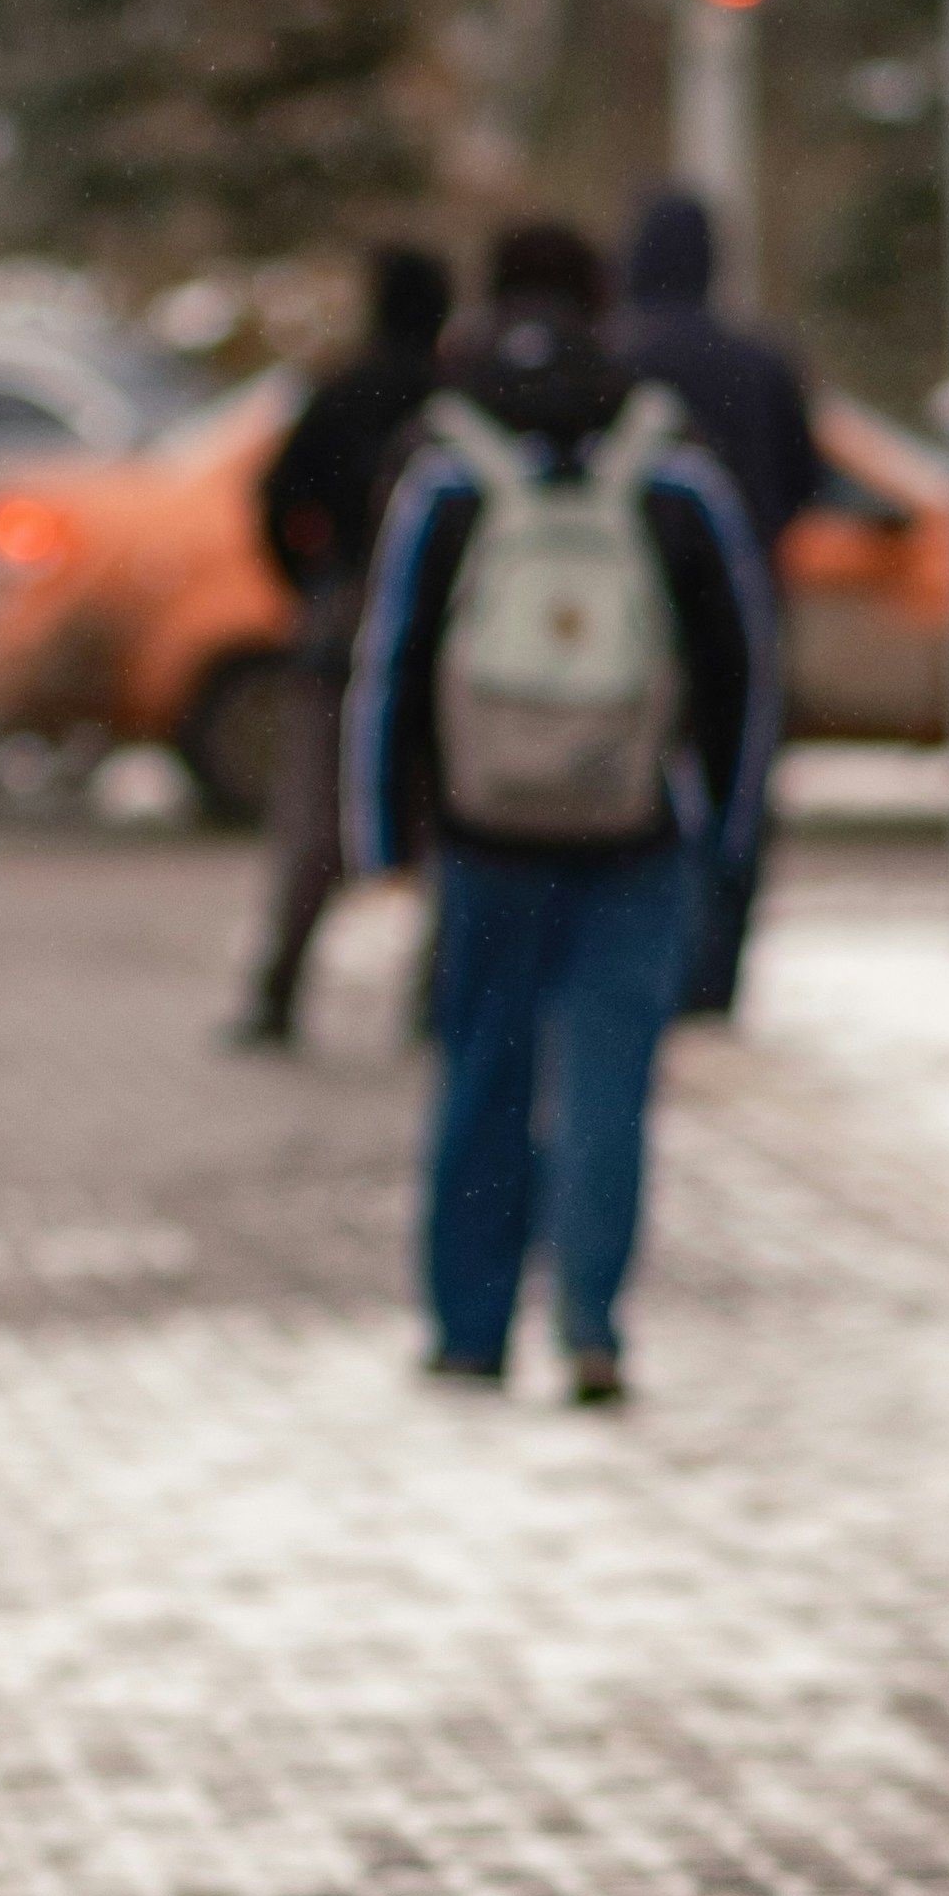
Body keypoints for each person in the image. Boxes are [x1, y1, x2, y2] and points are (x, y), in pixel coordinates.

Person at [346, 219, 781, 1408]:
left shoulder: (449, 458)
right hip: (634, 827)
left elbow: (394, 657)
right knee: (607, 1081)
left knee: (482, 1070)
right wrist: (728, 829)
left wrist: (386, 831)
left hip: (486, 829)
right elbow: (738, 660)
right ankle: (592, 1322)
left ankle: (469, 1327)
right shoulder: (665, 452)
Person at [223, 241, 456, 1053]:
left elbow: (275, 496)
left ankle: (278, 991)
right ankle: (434, 998)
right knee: (441, 817)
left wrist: (308, 583)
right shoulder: (449, 401)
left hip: (343, 618)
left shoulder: (342, 391)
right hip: (439, 625)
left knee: (316, 822)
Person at [614, 188, 822, 1022]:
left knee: (637, 777)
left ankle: (648, 953)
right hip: (743, 601)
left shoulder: (618, 356)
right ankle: (715, 966)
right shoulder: (761, 361)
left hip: (634, 603)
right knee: (738, 777)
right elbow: (804, 480)